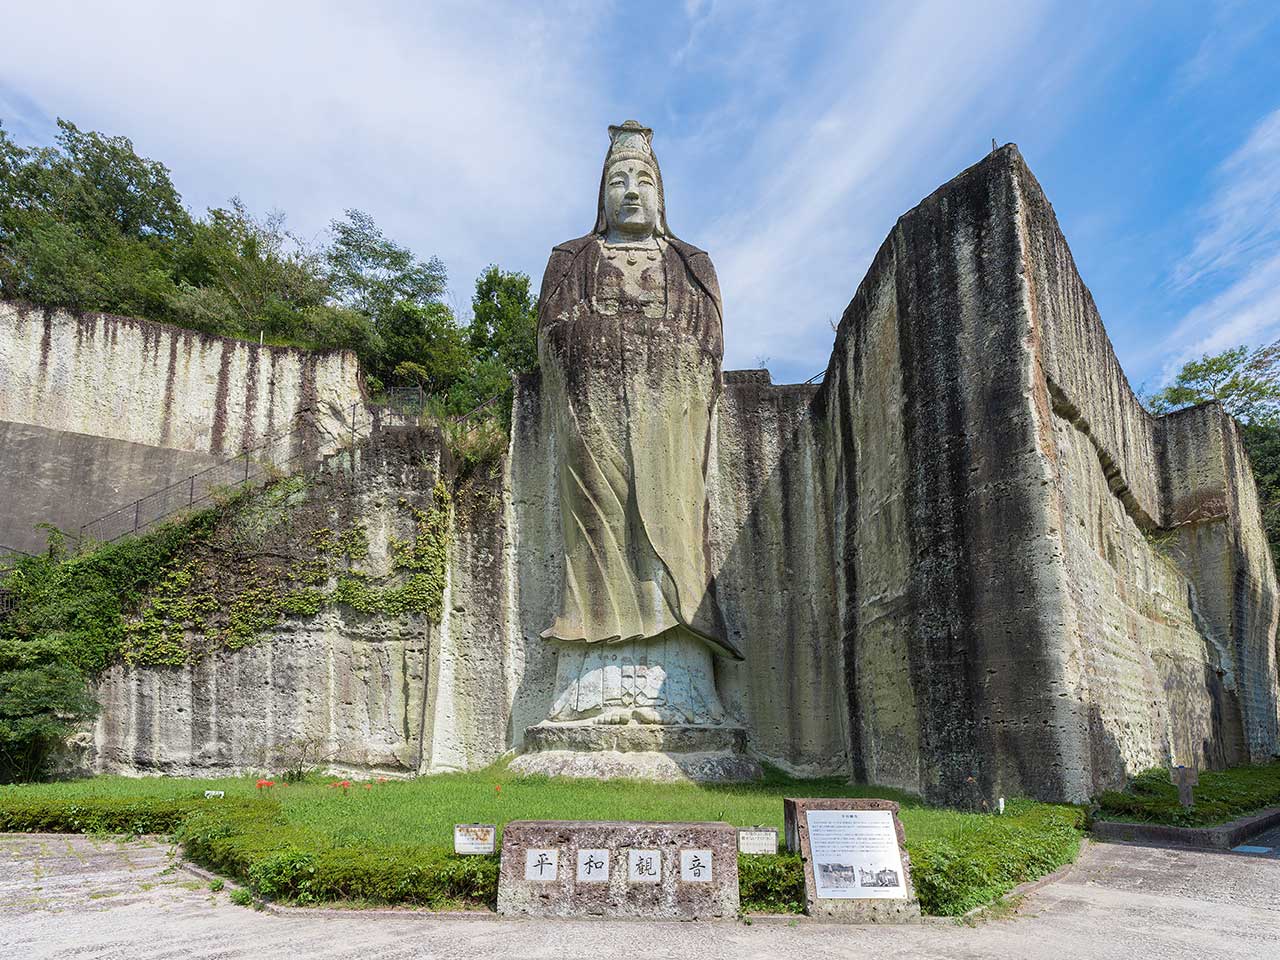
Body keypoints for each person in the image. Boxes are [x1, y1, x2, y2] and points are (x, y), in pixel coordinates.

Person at [536, 121, 742, 726]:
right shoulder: (571, 258)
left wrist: (652, 347)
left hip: (668, 420)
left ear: (661, 195)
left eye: (643, 180)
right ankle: (591, 684)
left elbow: (709, 342)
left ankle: (680, 683)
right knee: (596, 539)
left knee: (677, 530)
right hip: (593, 416)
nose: (630, 191)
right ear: (599, 195)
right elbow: (551, 335)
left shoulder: (690, 262)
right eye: (617, 180)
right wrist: (604, 340)